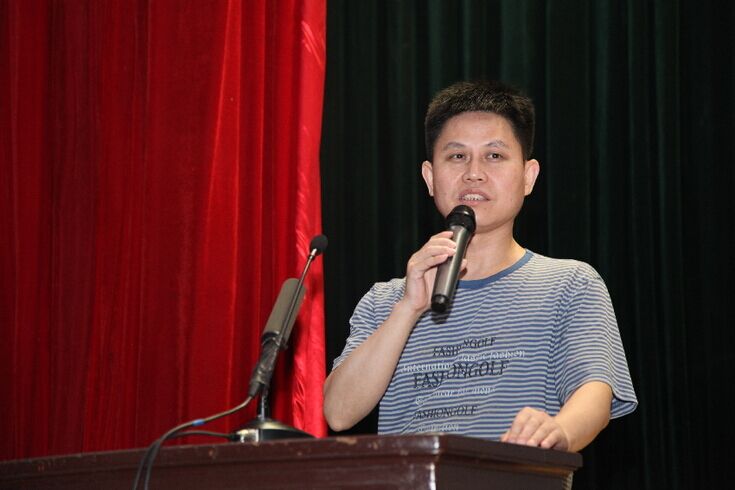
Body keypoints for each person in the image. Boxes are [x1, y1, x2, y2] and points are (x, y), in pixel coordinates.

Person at [323, 80, 637, 452]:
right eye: (457, 156)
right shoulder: (384, 300)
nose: (474, 173)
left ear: (528, 176)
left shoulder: (570, 283)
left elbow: (595, 395)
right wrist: (407, 309)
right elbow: (338, 413)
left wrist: (557, 431)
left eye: (494, 156)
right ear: (429, 177)